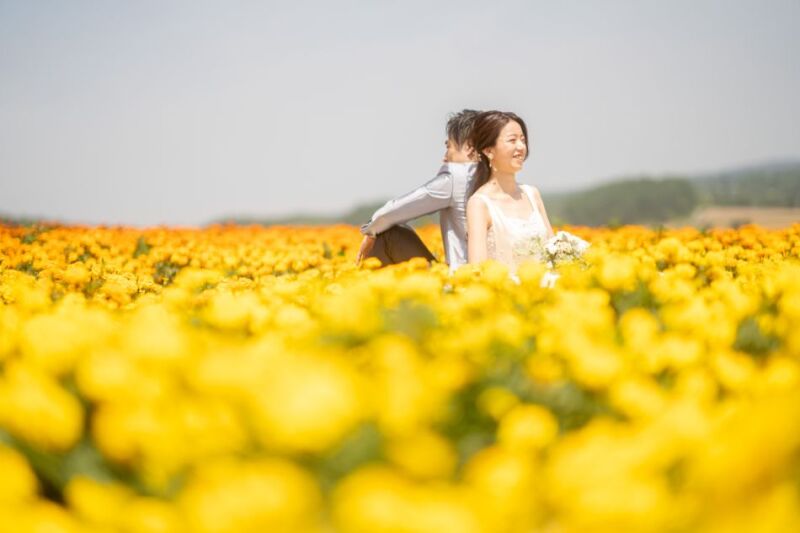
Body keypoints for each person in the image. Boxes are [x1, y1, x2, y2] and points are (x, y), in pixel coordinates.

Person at [355, 109, 480, 272]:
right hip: (499, 281)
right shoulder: (504, 182)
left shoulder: (457, 176)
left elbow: (393, 211)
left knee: (389, 232)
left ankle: (368, 291)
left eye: (449, 147)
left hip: (462, 279)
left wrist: (371, 232)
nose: (445, 157)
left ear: (469, 147)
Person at [466, 111, 556, 277]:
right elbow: (477, 270)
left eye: (522, 139)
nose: (521, 147)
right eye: (512, 140)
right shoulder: (479, 204)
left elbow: (554, 250)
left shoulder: (532, 194)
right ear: (488, 151)